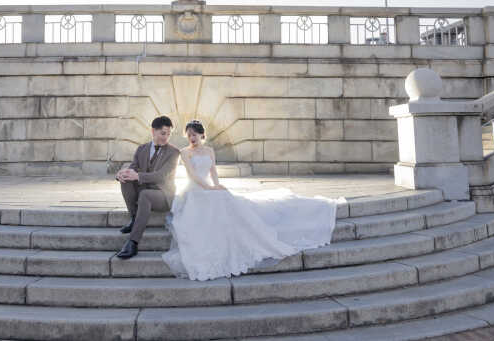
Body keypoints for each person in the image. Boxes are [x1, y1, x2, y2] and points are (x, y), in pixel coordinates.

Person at [162, 119, 337, 281]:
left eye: (195, 134)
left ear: (202, 135)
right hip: (194, 191)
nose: (192, 138)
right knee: (212, 204)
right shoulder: (185, 153)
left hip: (210, 187)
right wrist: (210, 188)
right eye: (189, 135)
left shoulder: (209, 151)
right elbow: (192, 175)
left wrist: (218, 186)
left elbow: (213, 172)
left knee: (228, 202)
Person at [115, 115, 179, 260]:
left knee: (145, 194)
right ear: (153, 131)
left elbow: (162, 176)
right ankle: (134, 217)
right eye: (163, 133)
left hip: (163, 195)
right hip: (144, 189)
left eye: (168, 134)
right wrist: (122, 173)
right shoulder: (141, 149)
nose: (166, 137)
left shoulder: (174, 152)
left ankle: (133, 242)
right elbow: (133, 168)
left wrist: (138, 176)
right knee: (126, 180)